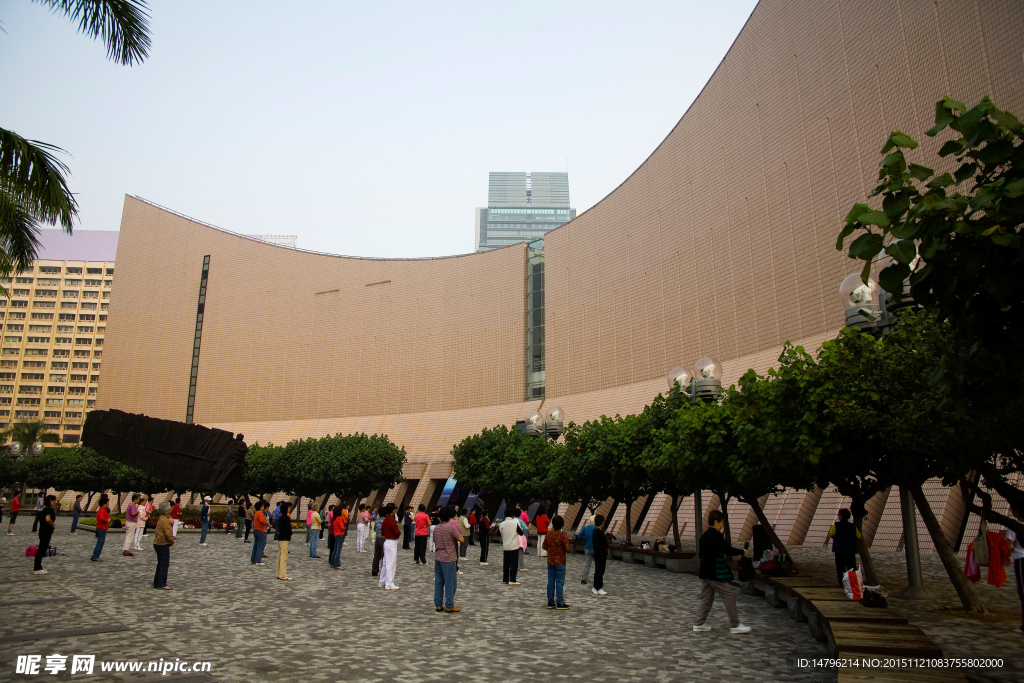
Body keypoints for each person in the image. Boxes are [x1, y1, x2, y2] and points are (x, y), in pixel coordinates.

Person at [693, 509, 751, 634]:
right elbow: (727, 549)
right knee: (728, 595)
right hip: (715, 572)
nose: (722, 525)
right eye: (721, 523)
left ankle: (699, 623)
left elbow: (701, 554)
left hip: (706, 572)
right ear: (716, 522)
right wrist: (741, 552)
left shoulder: (704, 537)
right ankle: (735, 624)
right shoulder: (715, 536)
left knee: (706, 598)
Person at [433, 506, 463, 612]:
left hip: (438, 556)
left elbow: (434, 540)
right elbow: (461, 539)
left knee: (439, 581)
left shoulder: (436, 528)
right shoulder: (451, 527)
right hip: (449, 557)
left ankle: (438, 604)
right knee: (450, 582)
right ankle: (449, 605)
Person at [543, 514, 571, 609]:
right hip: (560, 561)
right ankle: (560, 602)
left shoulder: (548, 534)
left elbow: (544, 546)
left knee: (550, 581)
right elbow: (568, 548)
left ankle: (550, 602)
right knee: (559, 582)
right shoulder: (563, 535)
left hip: (550, 561)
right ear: (562, 524)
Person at [828, 508, 861, 584]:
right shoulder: (853, 526)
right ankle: (853, 581)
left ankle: (842, 581)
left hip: (839, 549)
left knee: (840, 567)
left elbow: (832, 534)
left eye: (839, 515)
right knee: (851, 566)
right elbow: (859, 536)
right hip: (850, 550)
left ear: (841, 516)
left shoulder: (836, 525)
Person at [378, 503, 401, 590]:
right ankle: (389, 582)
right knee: (391, 563)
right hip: (392, 541)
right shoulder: (391, 520)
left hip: (386, 541)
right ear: (392, 510)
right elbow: (396, 531)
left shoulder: (386, 519)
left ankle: (382, 581)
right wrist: (398, 533)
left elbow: (382, 532)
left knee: (385, 562)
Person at [1009, 506, 1024, 634]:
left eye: (1012, 509)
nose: (1010, 511)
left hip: (1020, 558)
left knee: (1023, 591)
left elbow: (1008, 544)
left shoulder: (1013, 525)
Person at [152, 501, 174, 589]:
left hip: (157, 543)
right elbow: (167, 533)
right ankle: (162, 583)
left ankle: (157, 582)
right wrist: (171, 541)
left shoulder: (161, 518)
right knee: (164, 563)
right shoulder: (165, 520)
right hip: (162, 543)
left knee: (160, 563)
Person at [33, 494, 56, 574]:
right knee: (41, 548)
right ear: (50, 501)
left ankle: (38, 566)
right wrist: (52, 524)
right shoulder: (49, 510)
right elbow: (47, 519)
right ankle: (37, 568)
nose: (55, 502)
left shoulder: (46, 509)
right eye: (54, 501)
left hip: (43, 531)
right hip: (46, 531)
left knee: (42, 548)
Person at [499, 508, 523, 585]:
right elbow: (521, 532)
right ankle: (512, 579)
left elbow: (498, 533)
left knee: (506, 564)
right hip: (514, 546)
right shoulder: (514, 523)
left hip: (505, 546)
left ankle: (505, 579)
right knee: (514, 564)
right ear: (512, 515)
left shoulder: (501, 524)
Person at [591, 514, 609, 596]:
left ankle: (595, 587)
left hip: (596, 553)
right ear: (602, 522)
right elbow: (605, 543)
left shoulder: (594, 531)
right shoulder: (600, 532)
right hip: (601, 554)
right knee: (600, 571)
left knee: (597, 571)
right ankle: (599, 587)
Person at [276, 501, 293, 580]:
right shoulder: (286, 518)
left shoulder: (280, 517)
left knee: (280, 556)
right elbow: (288, 528)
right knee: (284, 556)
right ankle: (283, 574)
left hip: (280, 537)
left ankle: (278, 573)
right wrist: (290, 534)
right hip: (284, 537)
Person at [91, 494, 110, 561]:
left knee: (100, 542)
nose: (108, 504)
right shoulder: (102, 510)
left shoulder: (104, 510)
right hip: (101, 527)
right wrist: (107, 520)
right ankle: (95, 556)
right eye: (107, 503)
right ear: (104, 504)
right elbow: (101, 518)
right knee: (100, 542)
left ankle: (96, 555)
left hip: (103, 527)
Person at [579, 516, 596, 584]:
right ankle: (597, 579)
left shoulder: (586, 528)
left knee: (587, 564)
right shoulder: (596, 529)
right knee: (597, 565)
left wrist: (585, 540)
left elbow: (579, 536)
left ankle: (584, 578)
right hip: (595, 548)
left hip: (588, 547)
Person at [251, 502, 268, 566]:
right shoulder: (260, 513)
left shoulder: (256, 513)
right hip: (261, 530)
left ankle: (253, 559)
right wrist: (267, 524)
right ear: (260, 507)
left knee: (256, 545)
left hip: (256, 530)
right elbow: (262, 521)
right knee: (261, 545)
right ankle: (258, 560)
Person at [371, 509, 386, 576]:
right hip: (383, 539)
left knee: (376, 556)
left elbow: (374, 529)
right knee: (384, 556)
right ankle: (383, 571)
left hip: (377, 539)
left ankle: (374, 570)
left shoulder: (377, 520)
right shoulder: (385, 521)